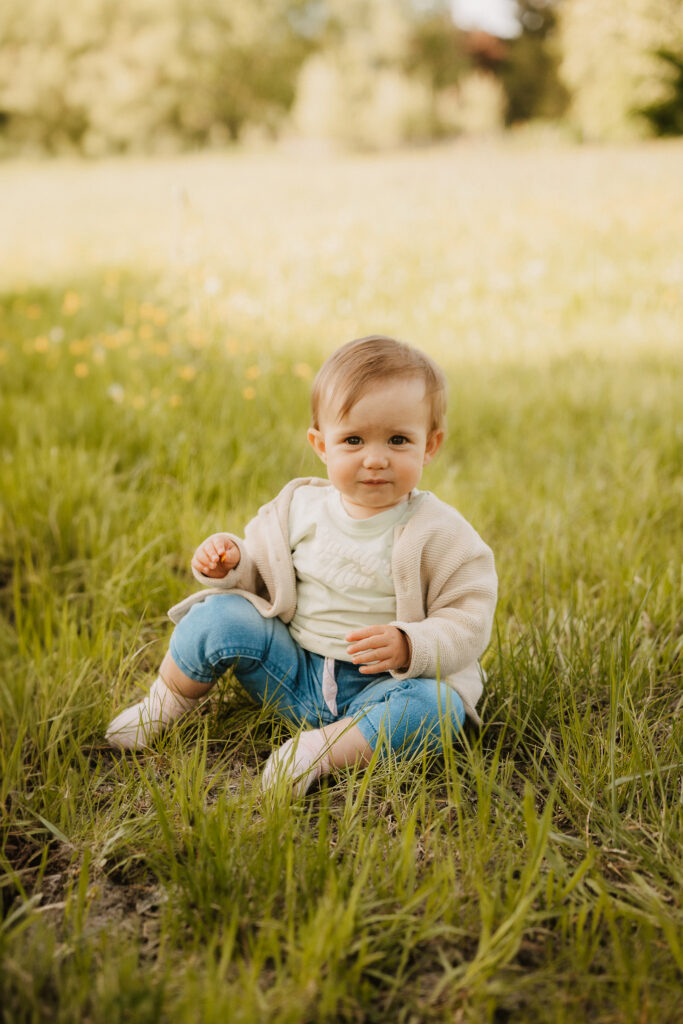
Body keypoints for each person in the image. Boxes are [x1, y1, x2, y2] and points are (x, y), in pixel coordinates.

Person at [105, 335, 497, 795]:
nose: (375, 458)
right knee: (216, 615)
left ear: (430, 445)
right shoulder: (300, 508)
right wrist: (231, 562)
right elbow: (261, 577)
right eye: (352, 439)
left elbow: (468, 618)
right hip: (290, 671)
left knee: (439, 709)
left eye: (397, 440)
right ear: (320, 444)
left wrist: (411, 645)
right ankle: (165, 704)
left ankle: (320, 751)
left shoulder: (442, 533)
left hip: (380, 691)